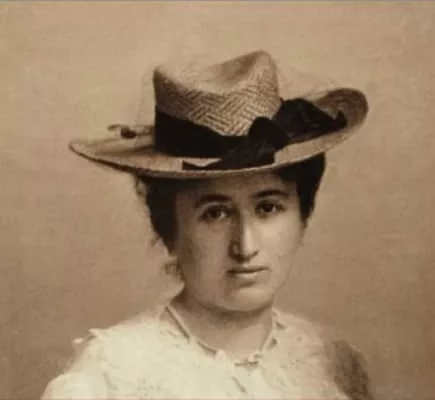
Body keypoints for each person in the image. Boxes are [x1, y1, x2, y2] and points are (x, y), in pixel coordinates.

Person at [42, 50, 374, 399]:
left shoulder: (334, 364)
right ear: (169, 229)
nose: (245, 246)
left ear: (302, 216)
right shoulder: (108, 377)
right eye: (215, 213)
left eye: (268, 208)